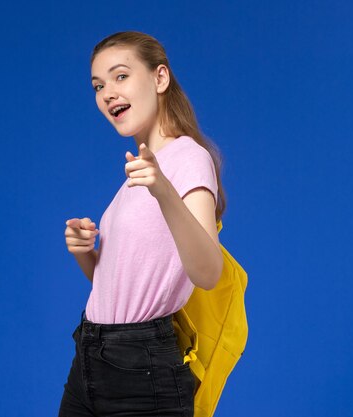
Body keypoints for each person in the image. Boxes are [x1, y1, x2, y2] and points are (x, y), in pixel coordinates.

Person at [58, 31, 227, 417]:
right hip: (89, 356)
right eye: (98, 85)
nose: (107, 93)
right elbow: (127, 288)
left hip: (141, 369)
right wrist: (87, 254)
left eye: (120, 76)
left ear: (160, 78)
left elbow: (208, 272)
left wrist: (164, 190)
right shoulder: (140, 170)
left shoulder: (188, 159)